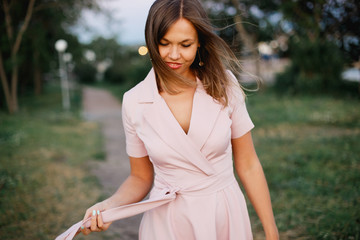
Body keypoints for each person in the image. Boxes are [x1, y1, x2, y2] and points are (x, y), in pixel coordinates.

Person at [56, 0, 278, 239]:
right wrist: (109, 205)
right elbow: (140, 178)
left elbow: (248, 164)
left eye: (185, 44)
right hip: (167, 223)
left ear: (200, 42)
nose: (174, 55)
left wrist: (271, 231)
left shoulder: (225, 85)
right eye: (164, 43)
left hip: (223, 213)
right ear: (152, 41)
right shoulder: (134, 101)